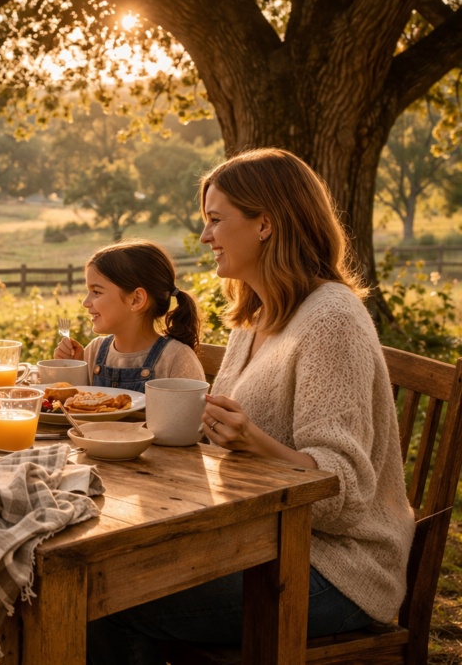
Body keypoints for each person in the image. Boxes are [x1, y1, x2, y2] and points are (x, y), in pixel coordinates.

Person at [85, 149, 416, 664]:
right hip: (259, 540)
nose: (204, 237)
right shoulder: (255, 315)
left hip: (335, 569)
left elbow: (346, 493)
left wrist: (252, 440)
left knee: (104, 595)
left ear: (266, 223)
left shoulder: (332, 320)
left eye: (216, 220)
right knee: (98, 567)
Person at [54, 239, 205, 390]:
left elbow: (190, 412)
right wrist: (73, 371)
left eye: (97, 292)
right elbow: (78, 408)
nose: (85, 302)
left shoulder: (176, 358)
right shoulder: (94, 351)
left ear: (136, 299)